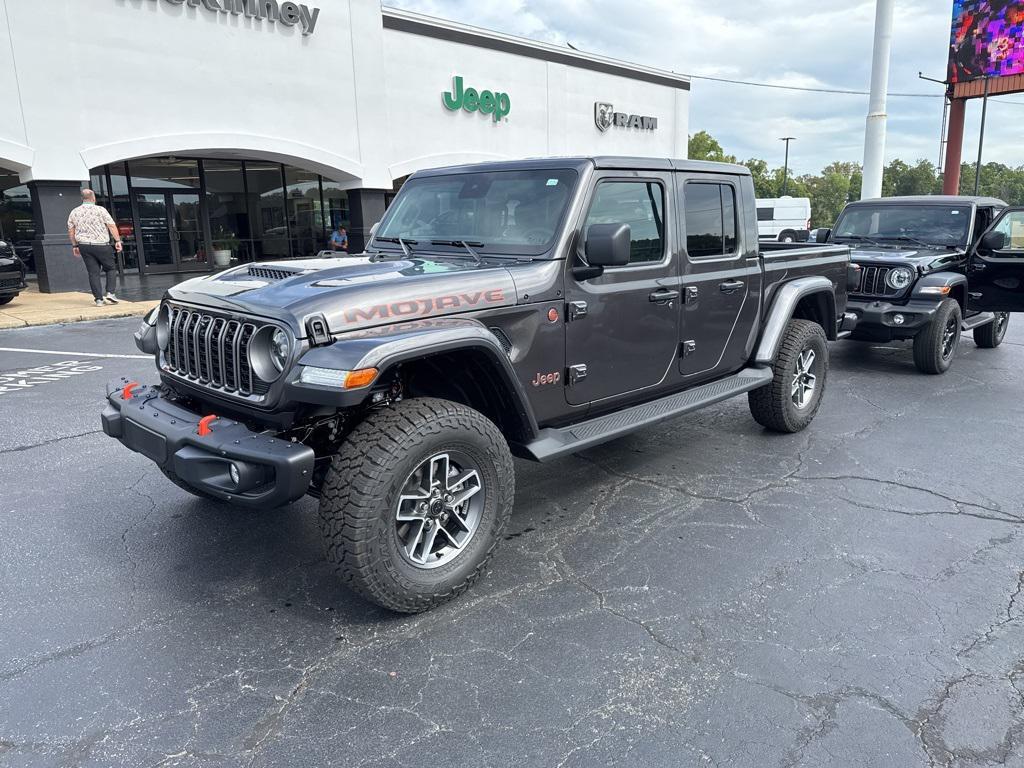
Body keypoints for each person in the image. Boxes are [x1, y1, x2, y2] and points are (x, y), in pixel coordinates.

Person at [68, 189, 123, 306]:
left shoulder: (74, 212)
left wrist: (74, 245)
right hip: (102, 245)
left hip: (84, 246)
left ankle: (98, 299)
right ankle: (110, 293)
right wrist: (117, 240)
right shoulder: (100, 210)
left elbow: (71, 231)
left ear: (82, 198)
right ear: (93, 198)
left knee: (93, 272)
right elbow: (111, 225)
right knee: (110, 268)